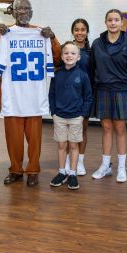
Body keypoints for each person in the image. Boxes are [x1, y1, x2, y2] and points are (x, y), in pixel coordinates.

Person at [0, 0, 61, 187]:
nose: (23, 11)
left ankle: (33, 170)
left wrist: (52, 37)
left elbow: (57, 59)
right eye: (19, 8)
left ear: (32, 11)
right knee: (13, 139)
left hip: (33, 94)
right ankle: (15, 169)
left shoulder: (40, 32)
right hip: (12, 94)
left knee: (35, 139)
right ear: (13, 12)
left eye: (27, 8)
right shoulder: (4, 33)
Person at [90, 9, 127, 183]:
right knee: (107, 129)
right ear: (106, 22)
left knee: (120, 129)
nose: (113, 23)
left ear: (121, 23)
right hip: (102, 90)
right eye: (110, 20)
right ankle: (105, 166)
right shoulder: (97, 43)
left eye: (116, 20)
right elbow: (91, 68)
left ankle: (122, 168)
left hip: (122, 91)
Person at [49, 41, 92, 190]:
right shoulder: (57, 74)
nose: (69, 56)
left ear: (79, 57)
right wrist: (53, 112)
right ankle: (62, 172)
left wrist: (82, 115)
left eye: (73, 53)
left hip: (76, 117)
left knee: (74, 145)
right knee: (61, 145)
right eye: (66, 53)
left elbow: (88, 97)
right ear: (61, 56)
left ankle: (72, 174)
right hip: (59, 116)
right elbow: (52, 94)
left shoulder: (83, 75)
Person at [64, 18, 92, 176]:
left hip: (83, 96)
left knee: (82, 129)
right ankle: (68, 160)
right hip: (68, 95)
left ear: (87, 32)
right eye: (77, 29)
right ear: (72, 31)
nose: (80, 32)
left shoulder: (91, 51)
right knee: (68, 129)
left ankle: (80, 161)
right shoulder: (67, 48)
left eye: (83, 29)